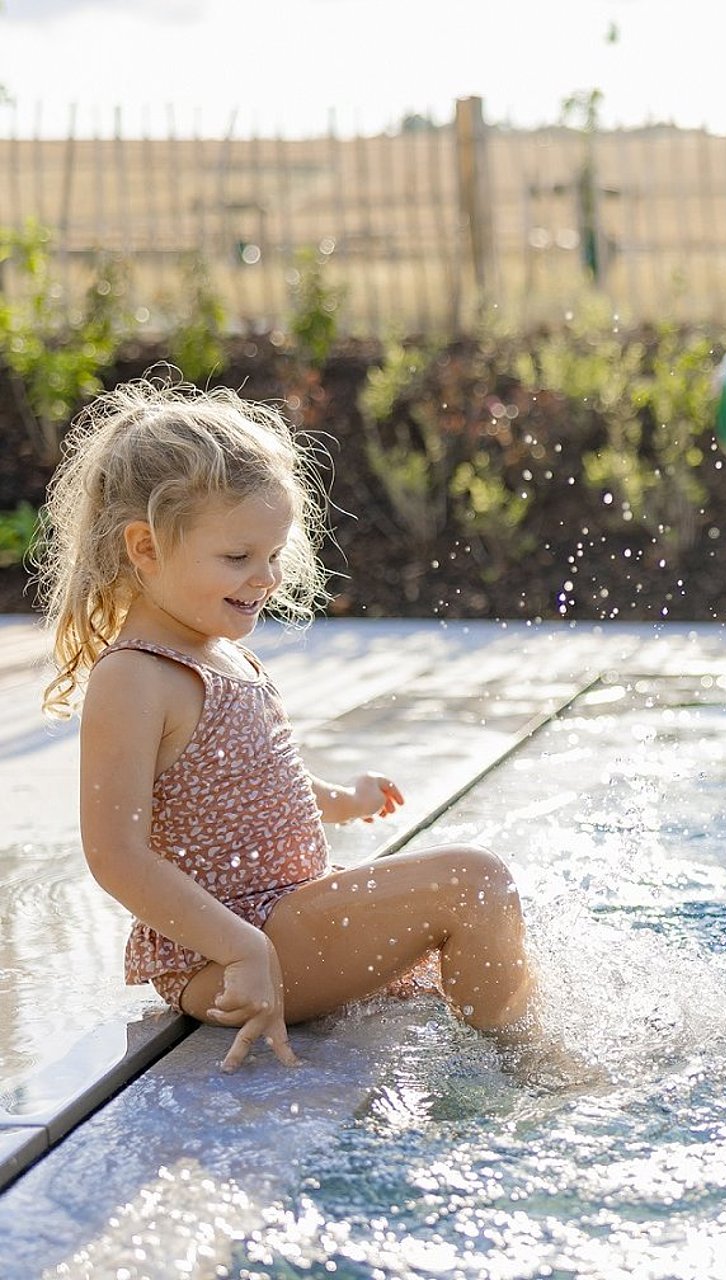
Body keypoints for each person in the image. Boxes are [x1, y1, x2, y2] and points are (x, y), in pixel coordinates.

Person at [37, 379, 542, 1075]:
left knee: (490, 916)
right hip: (228, 951)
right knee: (473, 880)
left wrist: (341, 799)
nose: (266, 578)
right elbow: (115, 855)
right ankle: (526, 1069)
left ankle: (504, 1052)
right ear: (146, 548)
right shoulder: (135, 676)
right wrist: (241, 947)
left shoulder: (222, 653)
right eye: (237, 558)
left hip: (279, 919)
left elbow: (245, 781)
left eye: (273, 555)